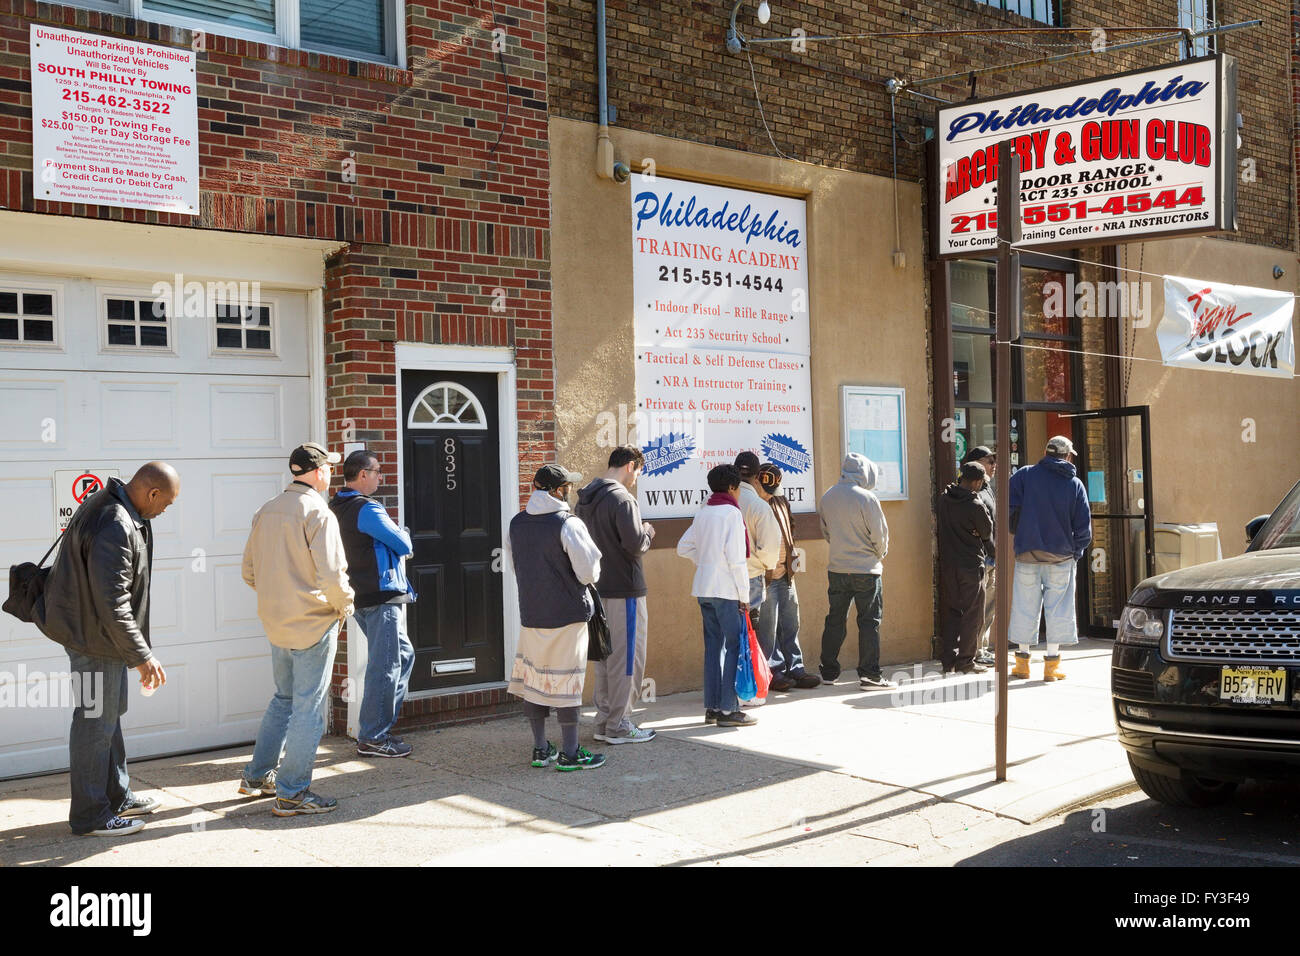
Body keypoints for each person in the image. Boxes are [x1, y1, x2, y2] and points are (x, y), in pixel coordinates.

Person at [39, 463, 180, 836]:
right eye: (166, 503)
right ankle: (91, 815)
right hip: (95, 638)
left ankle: (116, 795)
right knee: (94, 723)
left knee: (108, 717)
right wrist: (143, 656)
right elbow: (112, 601)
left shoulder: (109, 504)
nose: (165, 510)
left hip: (97, 635)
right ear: (152, 493)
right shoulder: (115, 522)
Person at [241, 442, 355, 815]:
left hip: (275, 620)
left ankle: (257, 776)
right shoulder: (318, 512)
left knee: (284, 698)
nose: (331, 474)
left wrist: (279, 598)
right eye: (329, 468)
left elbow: (249, 572)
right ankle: (292, 792)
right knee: (309, 707)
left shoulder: (266, 509)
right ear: (319, 471)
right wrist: (344, 607)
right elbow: (334, 576)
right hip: (313, 622)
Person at [507, 464, 606, 771]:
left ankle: (540, 748)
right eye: (567, 486)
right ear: (558, 490)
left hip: (532, 613)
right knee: (567, 684)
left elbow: (514, 566)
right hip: (568, 613)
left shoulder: (516, 523)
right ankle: (571, 752)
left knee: (533, 680)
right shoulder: (568, 523)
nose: (569, 490)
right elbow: (589, 571)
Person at [330, 450, 415, 758]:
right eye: (377, 471)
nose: (381, 477)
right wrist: (398, 534)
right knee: (386, 665)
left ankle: (380, 725)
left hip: (360, 595)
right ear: (362, 475)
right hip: (380, 596)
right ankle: (374, 736)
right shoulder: (367, 509)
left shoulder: (334, 507)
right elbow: (404, 544)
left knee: (402, 656)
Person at [575, 445, 656, 745]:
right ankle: (619, 723)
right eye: (638, 472)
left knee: (606, 659)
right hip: (626, 590)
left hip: (596, 590)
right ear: (631, 466)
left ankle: (605, 720)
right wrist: (648, 531)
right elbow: (635, 543)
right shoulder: (623, 498)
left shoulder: (584, 499)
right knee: (627, 659)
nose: (636, 479)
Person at [1007, 436, 1093, 682]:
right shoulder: (1074, 484)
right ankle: (1051, 667)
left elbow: (1008, 507)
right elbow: (1084, 527)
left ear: (1046, 452)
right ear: (1067, 456)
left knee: (1024, 605)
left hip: (1027, 554)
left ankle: (1022, 663)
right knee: (1059, 609)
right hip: (1061, 556)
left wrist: (1020, 533)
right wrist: (1076, 552)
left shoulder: (1024, 475)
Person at [677, 464, 756, 727]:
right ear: (734, 488)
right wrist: (744, 595)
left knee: (714, 647)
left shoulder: (704, 512)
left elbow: (683, 547)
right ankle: (728, 709)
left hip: (704, 588)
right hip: (727, 590)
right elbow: (736, 560)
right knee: (734, 647)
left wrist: (706, 561)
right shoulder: (732, 514)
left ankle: (712, 707)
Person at [818, 452, 896, 690]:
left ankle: (829, 671)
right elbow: (880, 536)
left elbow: (826, 532)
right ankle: (870, 675)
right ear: (864, 472)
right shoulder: (867, 498)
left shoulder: (828, 496)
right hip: (866, 569)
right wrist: (877, 555)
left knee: (835, 619)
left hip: (838, 568)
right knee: (869, 622)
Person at [756, 463, 820, 690]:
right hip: (767, 575)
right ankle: (773, 672)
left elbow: (790, 525)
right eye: (764, 487)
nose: (767, 493)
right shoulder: (754, 506)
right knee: (768, 628)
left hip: (785, 572)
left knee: (791, 623)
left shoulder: (780, 501)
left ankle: (796, 668)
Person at [936, 462, 993, 674]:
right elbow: (986, 532)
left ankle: (948, 659)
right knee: (973, 614)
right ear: (977, 482)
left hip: (949, 565)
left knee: (953, 611)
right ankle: (966, 661)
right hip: (970, 565)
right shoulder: (975, 504)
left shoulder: (943, 499)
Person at [733, 451, 779, 705]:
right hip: (750, 576)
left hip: (722, 579)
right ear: (757, 475)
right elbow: (770, 549)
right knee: (750, 633)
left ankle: (730, 687)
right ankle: (747, 690)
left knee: (728, 635)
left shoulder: (718, 500)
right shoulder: (759, 506)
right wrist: (761, 564)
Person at [961, 446, 999, 667]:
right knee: (978, 607)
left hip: (992, 557)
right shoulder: (972, 490)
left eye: (995, 461)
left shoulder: (987, 488)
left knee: (989, 607)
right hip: (981, 558)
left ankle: (981, 648)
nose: (994, 466)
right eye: (989, 461)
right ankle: (974, 651)